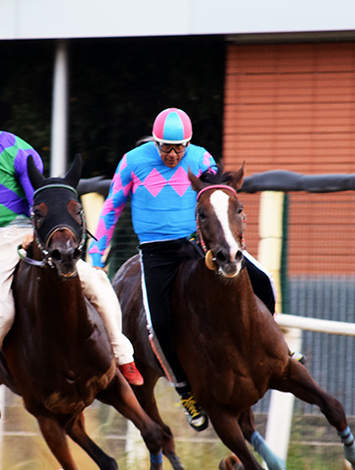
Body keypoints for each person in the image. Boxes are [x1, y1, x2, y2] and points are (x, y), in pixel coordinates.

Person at [0, 85, 143, 422]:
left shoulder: (15, 149)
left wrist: (39, 232)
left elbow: (39, 198)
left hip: (28, 234)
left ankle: (122, 352)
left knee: (97, 282)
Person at [89, 108, 286, 431]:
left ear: (189, 144)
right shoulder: (132, 162)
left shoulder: (201, 158)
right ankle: (185, 390)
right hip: (155, 255)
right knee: (160, 323)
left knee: (262, 280)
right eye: (166, 147)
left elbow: (221, 192)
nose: (173, 154)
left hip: (198, 245)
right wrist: (97, 256)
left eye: (179, 147)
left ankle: (278, 348)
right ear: (155, 142)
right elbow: (111, 207)